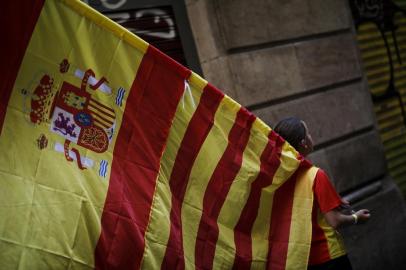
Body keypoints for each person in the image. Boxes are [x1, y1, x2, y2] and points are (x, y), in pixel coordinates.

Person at [274, 117, 370, 270]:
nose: (312, 137)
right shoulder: (316, 175)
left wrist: (332, 200)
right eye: (309, 133)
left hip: (301, 260)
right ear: (304, 143)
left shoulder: (277, 180)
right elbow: (334, 221)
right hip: (329, 257)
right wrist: (356, 218)